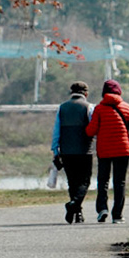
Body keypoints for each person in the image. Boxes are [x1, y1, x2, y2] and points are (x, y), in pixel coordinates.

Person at [85, 77, 129, 224]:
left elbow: (90, 131)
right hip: (122, 150)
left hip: (104, 150)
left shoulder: (99, 109)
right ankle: (117, 215)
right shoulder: (127, 108)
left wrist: (86, 129)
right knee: (120, 182)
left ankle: (102, 209)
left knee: (103, 180)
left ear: (104, 93)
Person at [51, 81, 94, 224]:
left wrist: (55, 150)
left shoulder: (62, 108)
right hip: (84, 150)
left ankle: (77, 212)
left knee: (72, 182)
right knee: (85, 181)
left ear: (71, 93)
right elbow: (93, 129)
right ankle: (74, 205)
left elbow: (56, 131)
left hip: (66, 151)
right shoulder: (89, 107)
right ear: (86, 94)